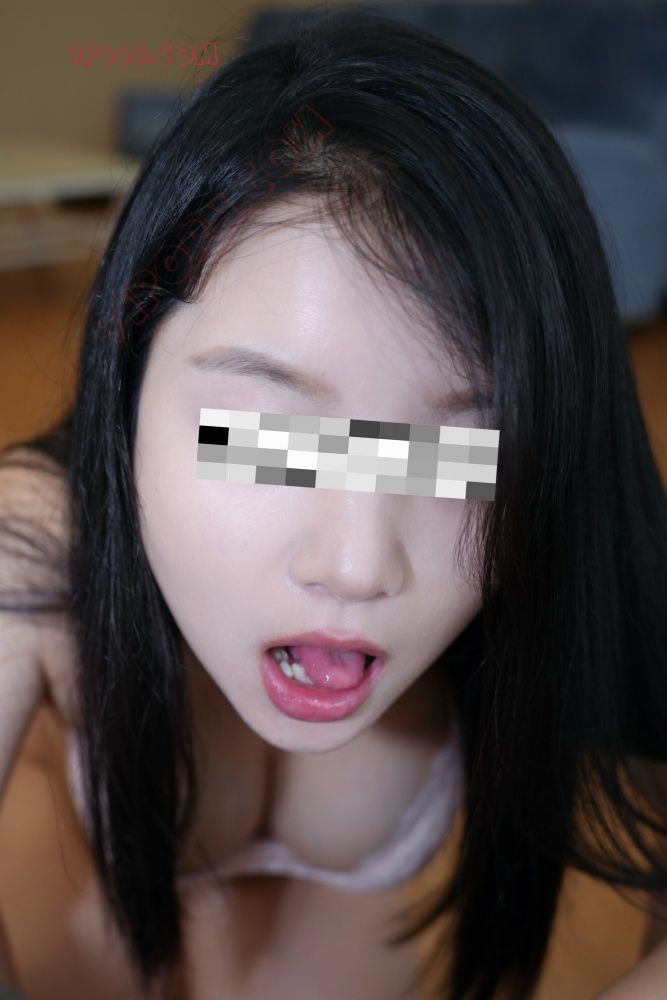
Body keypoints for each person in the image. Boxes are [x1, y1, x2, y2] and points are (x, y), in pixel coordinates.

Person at [1, 7, 666, 999]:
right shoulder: (32, 544)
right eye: (267, 439)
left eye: (455, 454)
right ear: (125, 378)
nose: (358, 565)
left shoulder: (558, 525)